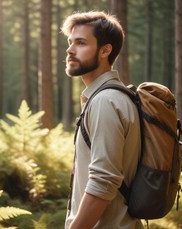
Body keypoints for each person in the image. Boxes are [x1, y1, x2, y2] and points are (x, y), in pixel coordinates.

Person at [61, 11, 143, 229]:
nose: (69, 50)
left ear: (105, 50)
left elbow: (103, 182)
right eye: (70, 42)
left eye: (80, 43)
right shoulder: (115, 97)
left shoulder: (105, 102)